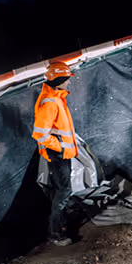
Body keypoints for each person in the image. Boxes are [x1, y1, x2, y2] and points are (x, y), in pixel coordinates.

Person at [32, 58, 81, 245]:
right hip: (58, 155)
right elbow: (39, 134)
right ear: (59, 80)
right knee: (63, 191)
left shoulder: (56, 99)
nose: (69, 82)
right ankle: (55, 233)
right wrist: (60, 147)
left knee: (61, 191)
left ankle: (60, 224)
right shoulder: (51, 103)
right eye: (67, 78)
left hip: (60, 154)